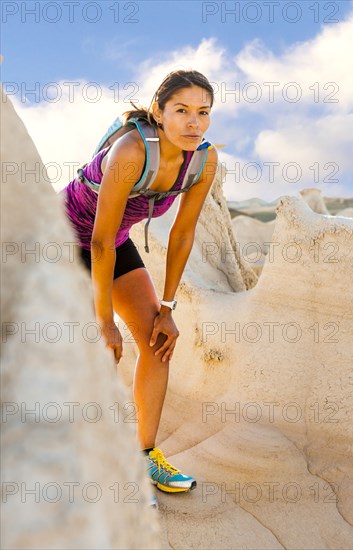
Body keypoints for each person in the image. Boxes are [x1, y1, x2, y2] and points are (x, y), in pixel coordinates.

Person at [63, 69, 218, 494]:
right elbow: (96, 242)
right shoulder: (132, 151)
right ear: (159, 113)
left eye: (203, 113)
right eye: (181, 111)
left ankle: (142, 458)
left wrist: (167, 310)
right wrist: (104, 321)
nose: (193, 123)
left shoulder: (203, 161)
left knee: (156, 341)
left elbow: (183, 234)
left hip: (111, 243)